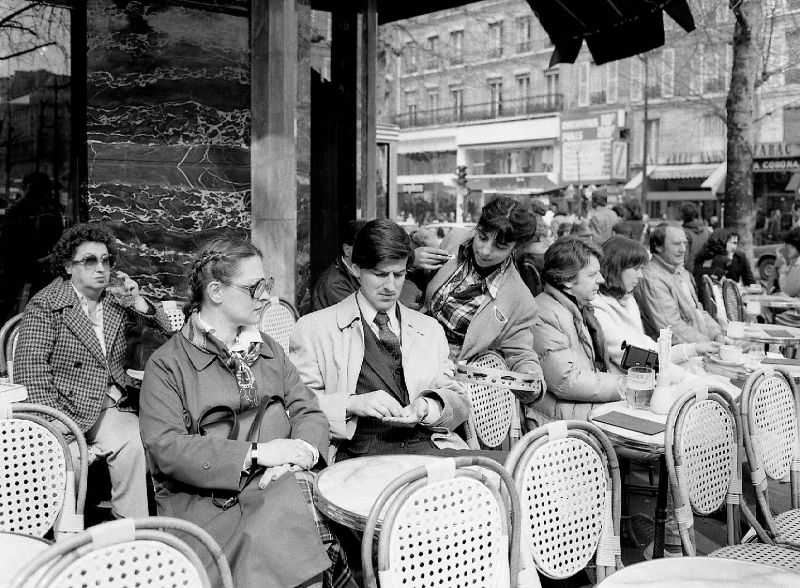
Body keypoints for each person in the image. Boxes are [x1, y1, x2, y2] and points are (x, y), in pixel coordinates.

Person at [139, 237, 353, 588]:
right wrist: (259, 454)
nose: (268, 296)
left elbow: (308, 412)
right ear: (216, 292)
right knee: (308, 515)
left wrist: (298, 455)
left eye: (268, 285)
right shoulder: (167, 365)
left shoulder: (266, 348)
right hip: (209, 506)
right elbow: (167, 449)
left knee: (309, 502)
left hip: (281, 482)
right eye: (256, 287)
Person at [14, 222, 171, 519]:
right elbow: (31, 370)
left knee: (135, 444)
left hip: (108, 405)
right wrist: (60, 428)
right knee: (63, 467)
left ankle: (131, 531)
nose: (101, 268)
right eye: (89, 261)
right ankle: (64, 537)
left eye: (105, 260)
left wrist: (136, 300)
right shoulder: (46, 306)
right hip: (63, 411)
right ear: (68, 266)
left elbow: (166, 332)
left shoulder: (114, 299)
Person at [290, 219, 471, 462]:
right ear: (356, 268)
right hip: (359, 456)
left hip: (429, 447)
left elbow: (457, 401)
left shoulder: (429, 329)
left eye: (399, 274)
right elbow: (298, 406)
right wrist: (352, 403)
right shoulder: (314, 329)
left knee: (499, 477)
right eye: (380, 274)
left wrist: (428, 407)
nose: (390, 286)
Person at [424, 196, 545, 406]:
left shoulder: (519, 299)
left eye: (500, 246)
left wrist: (530, 378)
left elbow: (519, 352)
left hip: (447, 379)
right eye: (482, 237)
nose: (485, 250)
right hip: (411, 348)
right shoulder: (455, 240)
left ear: (515, 247)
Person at [529, 236, 621, 425]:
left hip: (577, 410)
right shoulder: (545, 313)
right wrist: (626, 385)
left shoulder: (577, 308)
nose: (601, 280)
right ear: (567, 280)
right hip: (558, 421)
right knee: (656, 446)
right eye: (592, 275)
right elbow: (566, 380)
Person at [593, 236, 719, 374]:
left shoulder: (627, 300)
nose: (640, 275)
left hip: (647, 379)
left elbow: (649, 349)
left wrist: (694, 349)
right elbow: (630, 357)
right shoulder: (597, 308)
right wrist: (684, 376)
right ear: (615, 268)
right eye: (635, 269)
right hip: (629, 387)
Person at [634, 224, 727, 344]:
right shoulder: (652, 279)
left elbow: (698, 312)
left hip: (698, 346)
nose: (683, 249)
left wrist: (717, 334)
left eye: (685, 243)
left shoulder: (681, 272)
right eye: (676, 244)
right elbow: (672, 329)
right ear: (658, 247)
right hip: (674, 354)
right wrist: (711, 344)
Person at [0, 172, 64, 320]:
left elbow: (59, 233)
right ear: (25, 188)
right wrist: (36, 222)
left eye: (43, 189)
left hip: (45, 264)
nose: (38, 193)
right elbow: (7, 236)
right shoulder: (17, 208)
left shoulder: (52, 207)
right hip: (20, 264)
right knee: (13, 302)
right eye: (34, 188)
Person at [310, 219, 366, 313]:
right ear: (347, 250)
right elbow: (361, 316)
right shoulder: (334, 284)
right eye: (362, 248)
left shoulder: (359, 271)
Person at [677, 202, 709, 274]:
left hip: (689, 272)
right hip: (703, 270)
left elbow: (684, 257)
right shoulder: (706, 231)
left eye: (679, 213)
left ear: (684, 215)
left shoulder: (685, 232)